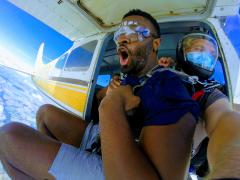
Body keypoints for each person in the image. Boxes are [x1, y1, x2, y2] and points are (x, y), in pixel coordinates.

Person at [0, 9, 199, 179]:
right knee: (44, 113)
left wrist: (110, 106)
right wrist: (106, 95)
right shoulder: (131, 78)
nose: (122, 38)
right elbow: (101, 95)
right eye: (120, 33)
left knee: (9, 137)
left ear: (155, 44)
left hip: (121, 167)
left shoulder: (168, 84)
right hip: (101, 140)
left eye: (136, 32)